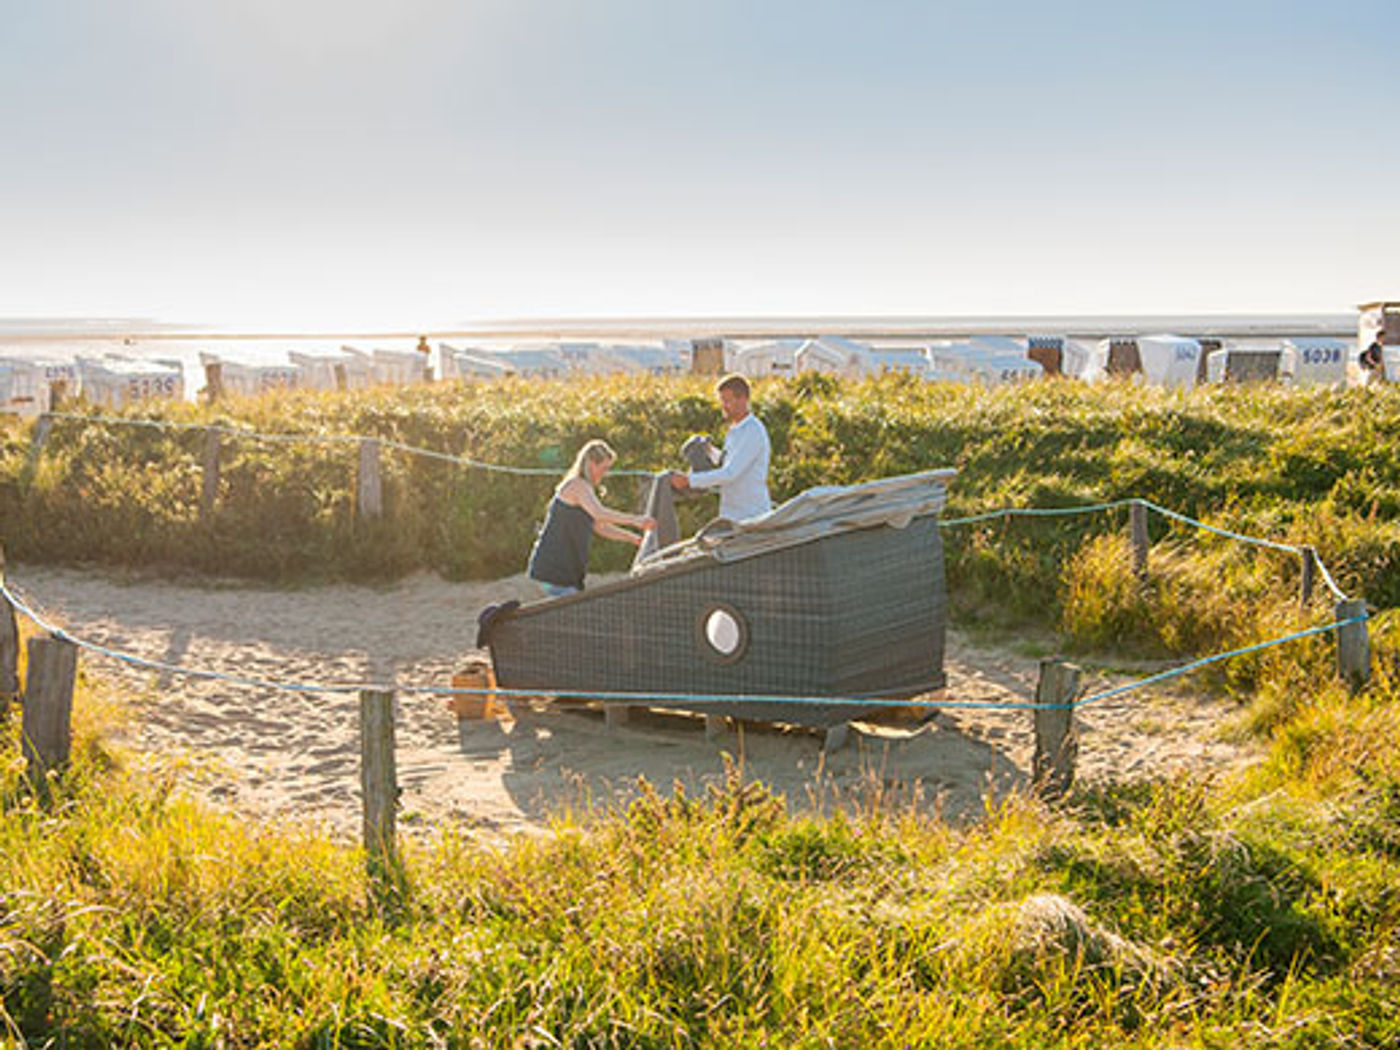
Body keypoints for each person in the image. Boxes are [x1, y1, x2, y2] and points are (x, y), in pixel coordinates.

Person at [527, 439, 655, 598]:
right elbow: (599, 513)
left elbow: (599, 526)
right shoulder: (576, 486)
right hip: (554, 571)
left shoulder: (586, 489)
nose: (605, 473)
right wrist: (636, 520)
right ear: (591, 464)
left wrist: (631, 538)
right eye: (604, 468)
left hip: (566, 572)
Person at [670, 373, 772, 520]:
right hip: (731, 515)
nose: (723, 406)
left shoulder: (753, 431)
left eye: (727, 401)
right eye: (722, 400)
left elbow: (730, 473)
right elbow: (729, 461)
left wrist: (689, 480)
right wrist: (709, 451)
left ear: (743, 399)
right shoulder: (734, 430)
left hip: (752, 517)